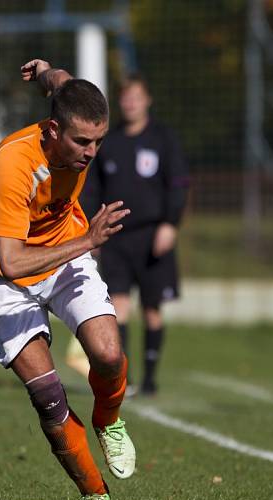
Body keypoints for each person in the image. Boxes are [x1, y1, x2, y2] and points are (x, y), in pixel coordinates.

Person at [0, 59, 135, 500]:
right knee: (48, 396)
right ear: (53, 131)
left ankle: (108, 420)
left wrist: (45, 69)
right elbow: (13, 260)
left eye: (98, 141)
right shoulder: (15, 164)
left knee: (108, 354)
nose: (91, 152)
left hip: (63, 252)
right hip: (1, 275)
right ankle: (95, 496)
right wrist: (88, 240)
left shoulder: (71, 109)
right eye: (82, 141)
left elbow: (60, 84)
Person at [80, 73, 189, 396]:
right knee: (117, 306)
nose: (130, 103)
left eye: (136, 97)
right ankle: (121, 378)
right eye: (125, 98)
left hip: (153, 234)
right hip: (116, 238)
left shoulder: (163, 139)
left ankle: (151, 378)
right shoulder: (109, 142)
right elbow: (92, 189)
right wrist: (92, 231)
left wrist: (170, 224)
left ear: (147, 100)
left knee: (153, 308)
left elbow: (179, 183)